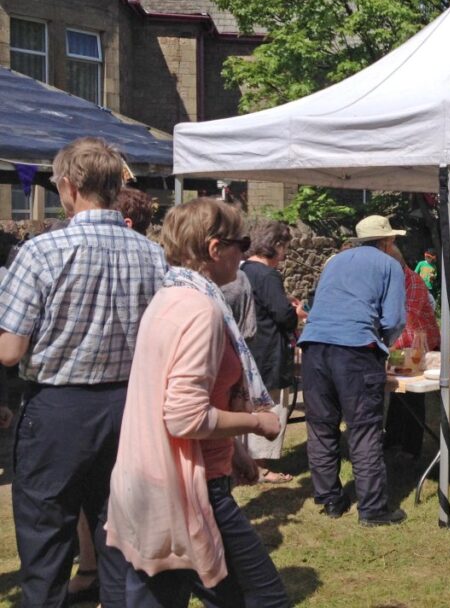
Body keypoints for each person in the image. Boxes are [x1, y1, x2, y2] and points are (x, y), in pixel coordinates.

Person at [0, 137, 167, 607]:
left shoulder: (41, 252)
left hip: (58, 408)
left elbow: (10, 350)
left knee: (46, 535)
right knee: (115, 532)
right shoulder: (151, 254)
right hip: (127, 406)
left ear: (69, 187)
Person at [106, 197, 289, 607]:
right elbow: (184, 415)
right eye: (240, 243)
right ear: (214, 249)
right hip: (190, 488)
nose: (245, 253)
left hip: (165, 477)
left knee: (166, 594)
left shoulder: (171, 295)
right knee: (264, 598)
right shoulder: (199, 309)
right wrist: (256, 424)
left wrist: (235, 450)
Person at [298, 214, 408, 525]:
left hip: (314, 345)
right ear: (387, 241)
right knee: (363, 428)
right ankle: (372, 508)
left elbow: (320, 301)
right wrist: (381, 345)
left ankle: (331, 499)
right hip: (355, 349)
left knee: (321, 425)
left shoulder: (335, 260)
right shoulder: (390, 266)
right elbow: (394, 319)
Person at [241, 220, 306, 484]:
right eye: (285, 247)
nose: (286, 253)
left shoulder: (243, 268)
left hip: (250, 348)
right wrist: (297, 313)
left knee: (250, 407)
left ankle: (246, 463)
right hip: (268, 351)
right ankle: (260, 468)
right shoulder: (267, 274)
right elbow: (282, 316)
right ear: (276, 245)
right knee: (268, 407)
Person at [384, 242, 442, 458]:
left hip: (419, 346)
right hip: (402, 346)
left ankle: (411, 448)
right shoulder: (395, 281)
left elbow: (403, 321)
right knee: (397, 392)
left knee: (413, 397)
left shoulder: (414, 284)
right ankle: (392, 441)